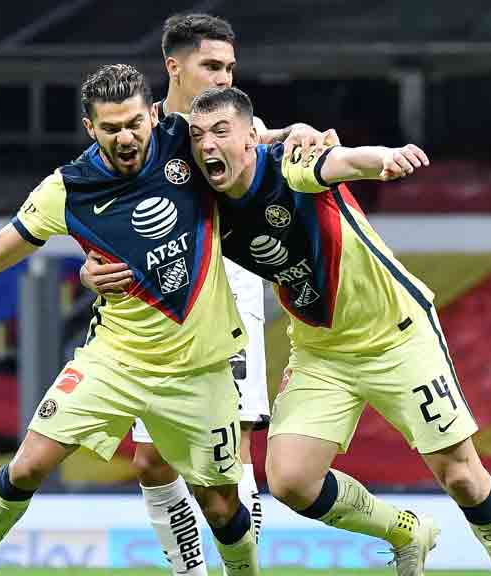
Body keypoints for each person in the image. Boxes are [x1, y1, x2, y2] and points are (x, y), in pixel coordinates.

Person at [84, 86, 491, 576]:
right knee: (291, 481)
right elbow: (134, 230)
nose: (208, 144)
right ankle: (407, 530)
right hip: (322, 352)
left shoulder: (288, 167)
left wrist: (382, 157)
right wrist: (91, 273)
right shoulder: (203, 207)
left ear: (250, 137)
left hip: (397, 335)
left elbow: (338, 162)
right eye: (198, 137)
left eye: (221, 131)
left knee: (463, 477)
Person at [0, 64, 268, 576]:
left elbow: (251, 140)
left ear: (153, 114)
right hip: (116, 359)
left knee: (221, 506)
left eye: (134, 123)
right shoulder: (67, 190)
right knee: (28, 465)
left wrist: (304, 137)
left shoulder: (186, 144)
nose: (126, 137)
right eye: (111, 128)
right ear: (91, 128)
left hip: (200, 366)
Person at [80, 15, 336, 572]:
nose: (223, 77)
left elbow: (271, 140)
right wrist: (87, 271)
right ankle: (189, 570)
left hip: (227, 301)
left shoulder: (233, 124)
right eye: (211, 66)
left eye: (229, 67)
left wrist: (299, 133)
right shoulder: (137, 132)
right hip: (155, 311)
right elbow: (99, 216)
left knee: (232, 455)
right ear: (174, 66)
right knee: (150, 461)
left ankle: (240, 569)